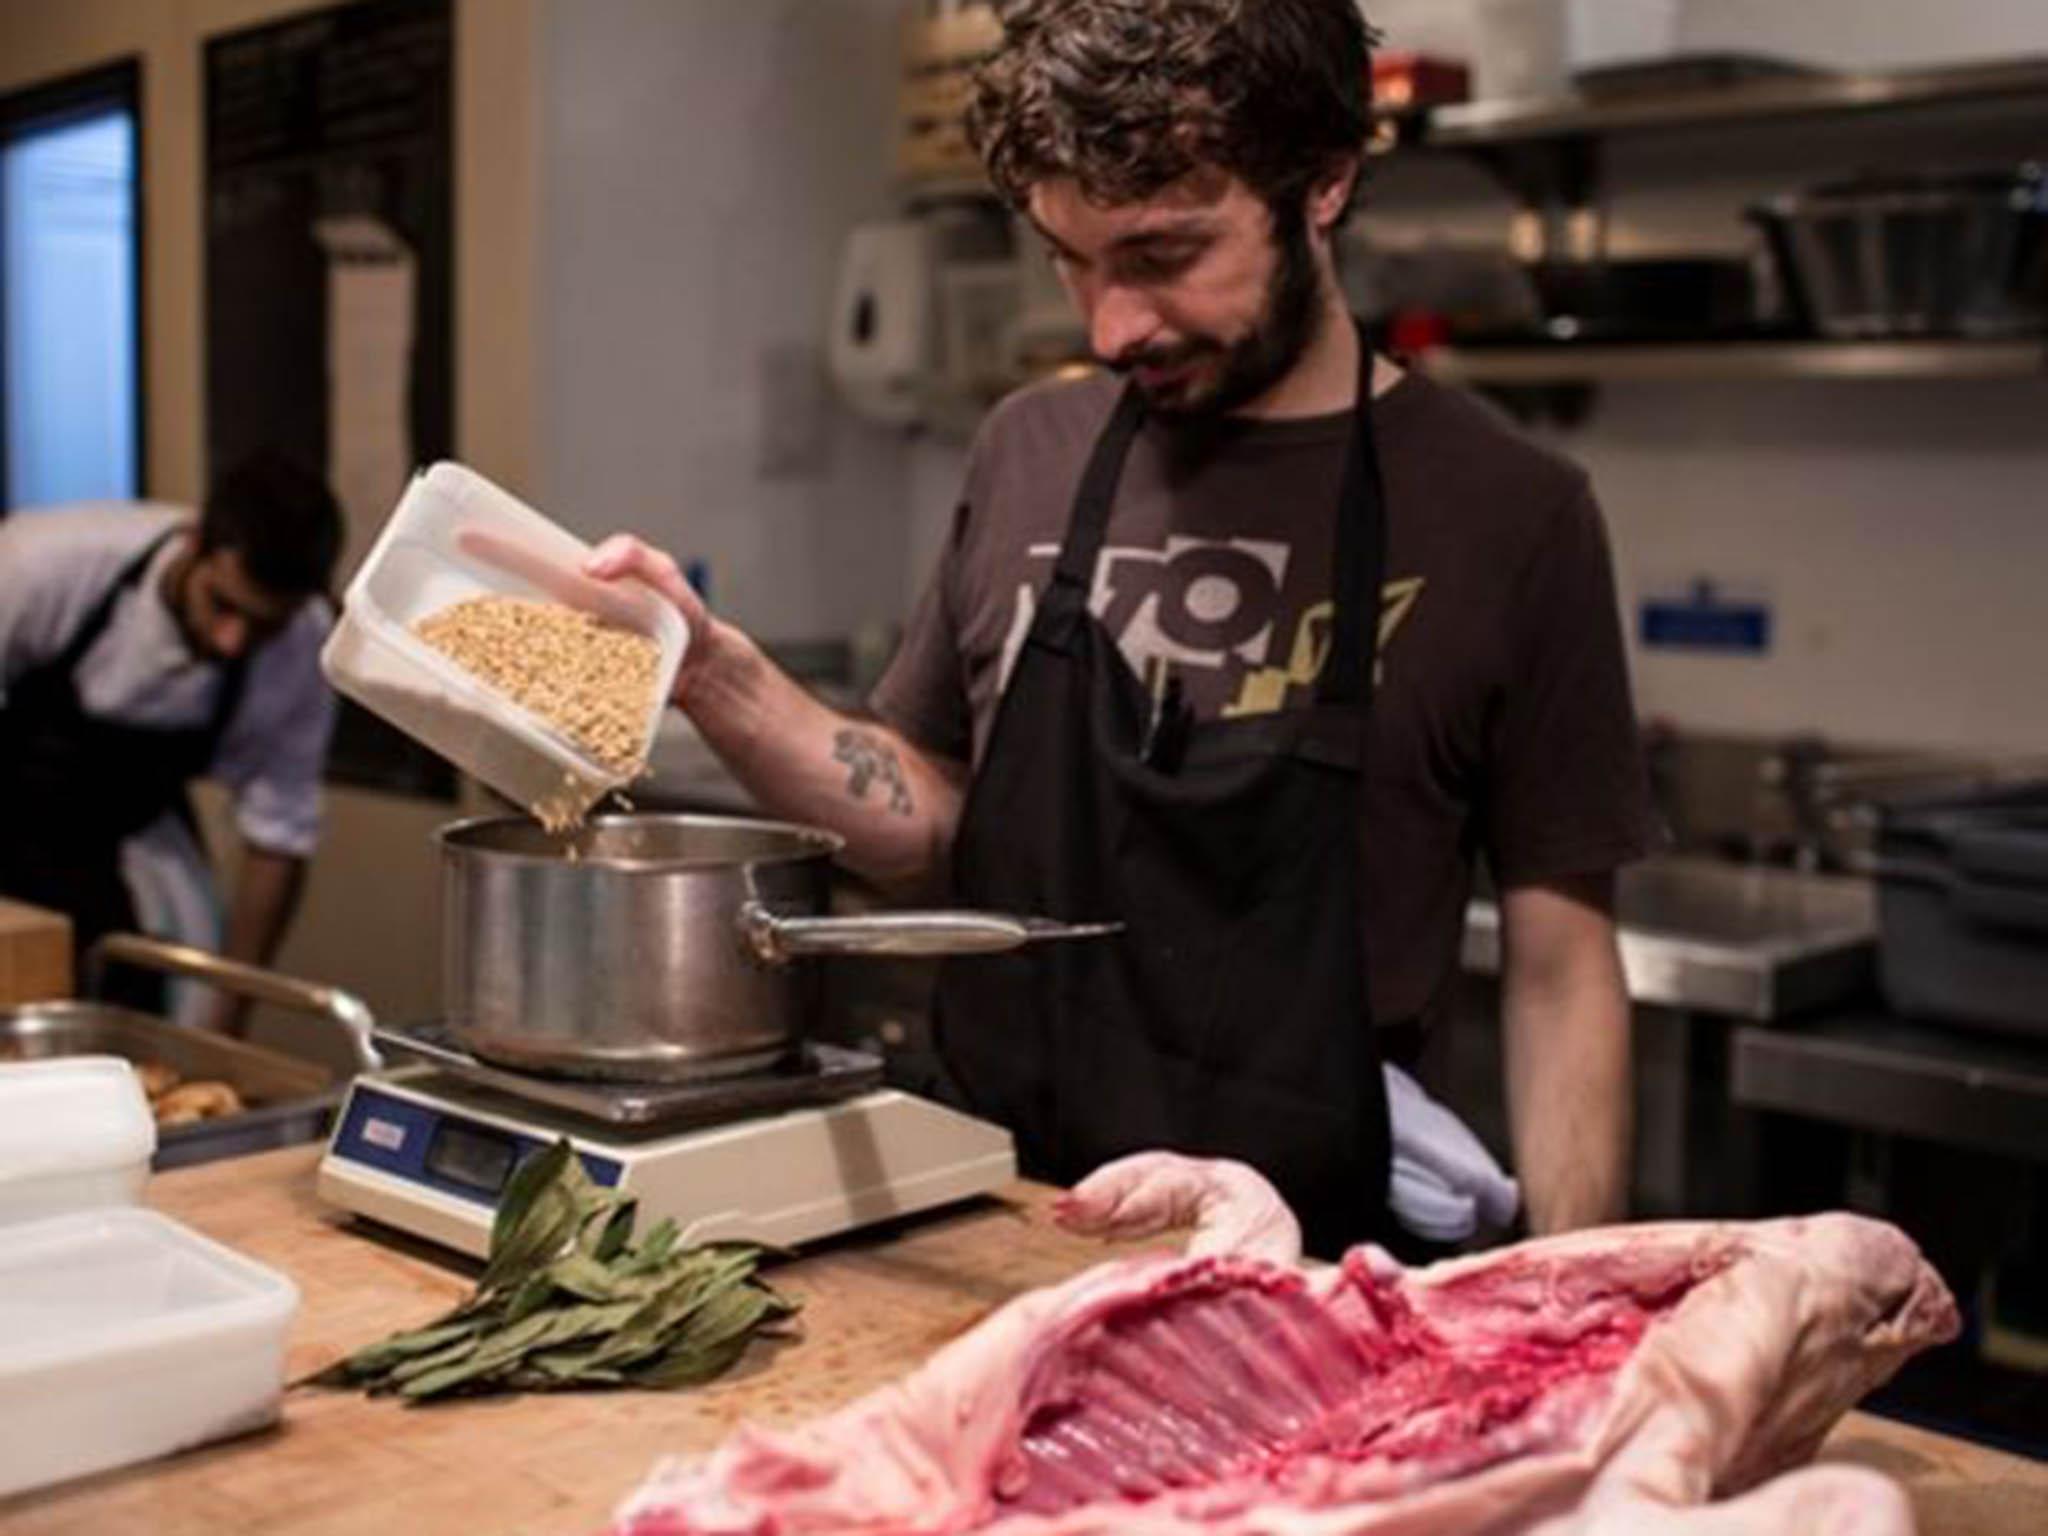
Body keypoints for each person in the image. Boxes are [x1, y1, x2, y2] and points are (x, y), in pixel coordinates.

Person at [590, 0, 1649, 1255]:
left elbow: (1560, 968)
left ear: (1322, 181)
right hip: (994, 1230)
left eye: (1161, 254)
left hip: (1306, 1277)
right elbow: (933, 827)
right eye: (1069, 259)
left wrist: (1578, 1294)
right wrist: (716, 676)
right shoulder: (1030, 448)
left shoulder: (1508, 514)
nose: (1108, 327)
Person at [0, 451, 342, 1023]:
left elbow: (278, 837)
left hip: (123, 852)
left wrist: (229, 1015)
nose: (234, 641)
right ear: (193, 542)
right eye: (223, 606)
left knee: (138, 1019)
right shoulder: (40, 562)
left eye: (263, 625)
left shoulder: (304, 645)